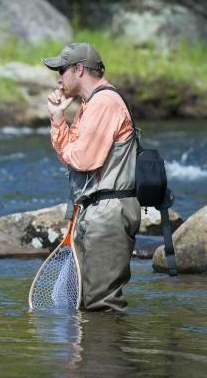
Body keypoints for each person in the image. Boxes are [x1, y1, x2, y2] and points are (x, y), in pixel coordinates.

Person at [42, 42, 141, 312]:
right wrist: (58, 119)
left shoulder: (105, 103)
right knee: (85, 303)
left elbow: (83, 160)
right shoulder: (90, 104)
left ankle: (105, 354)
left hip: (108, 211)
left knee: (102, 304)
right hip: (93, 210)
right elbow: (70, 157)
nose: (58, 78)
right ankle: (92, 355)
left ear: (80, 69)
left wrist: (70, 146)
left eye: (62, 70)